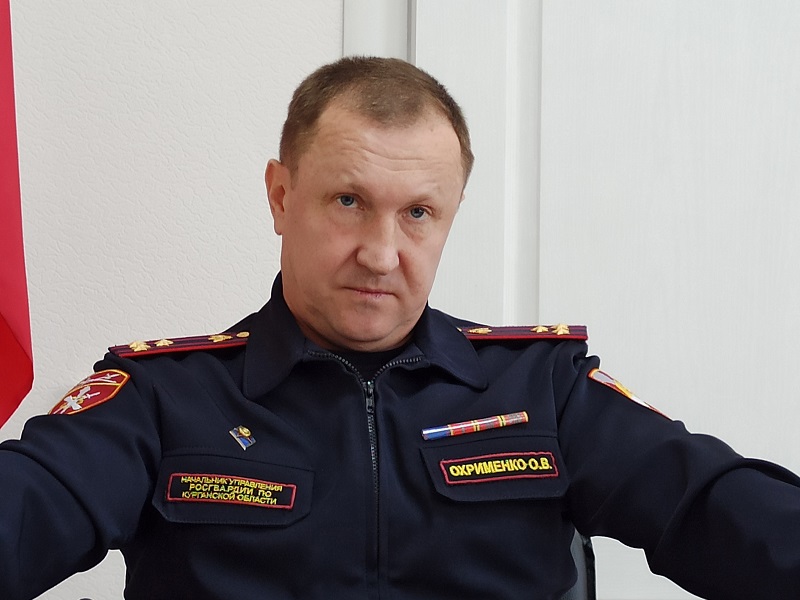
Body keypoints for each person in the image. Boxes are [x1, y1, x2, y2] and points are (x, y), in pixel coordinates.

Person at [1, 56, 800, 600]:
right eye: (348, 201)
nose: (381, 254)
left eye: (418, 212)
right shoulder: (163, 397)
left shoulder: (542, 387)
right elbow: (26, 509)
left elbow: (711, 504)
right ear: (281, 196)